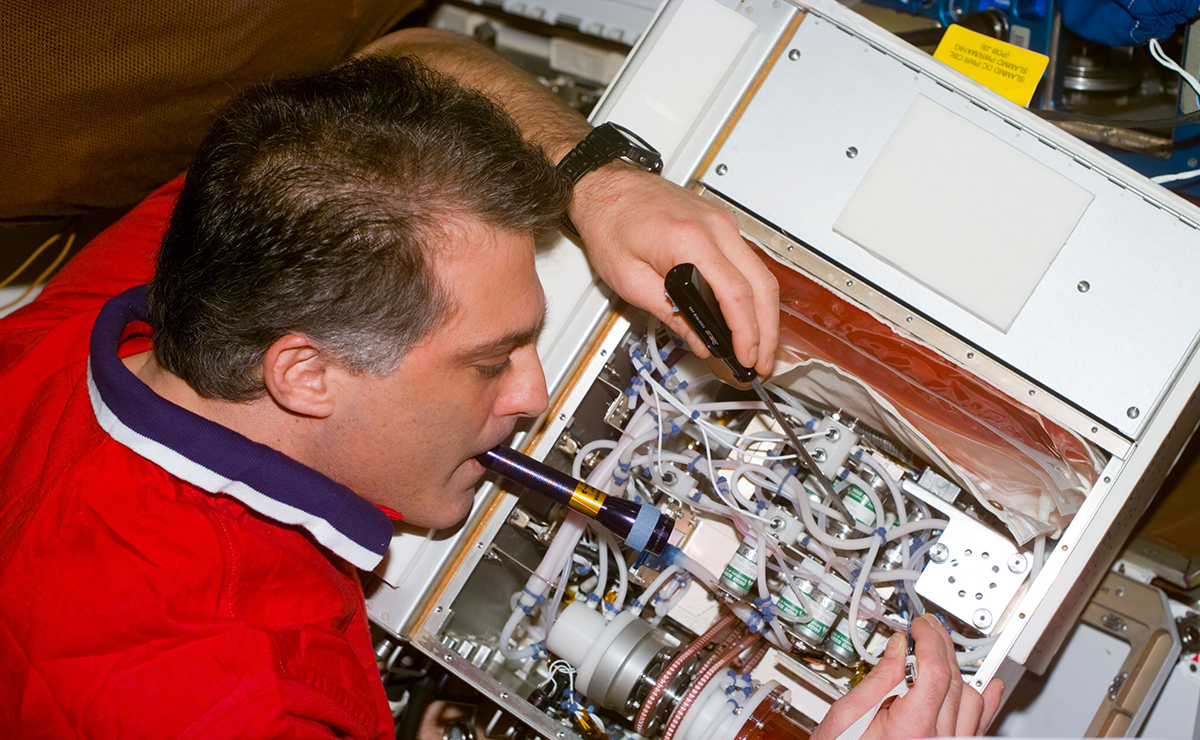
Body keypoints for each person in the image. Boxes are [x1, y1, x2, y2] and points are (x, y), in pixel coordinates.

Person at [0, 50, 998, 739]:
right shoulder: (239, 688)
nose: (539, 387)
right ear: (304, 374)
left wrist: (598, 179)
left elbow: (403, 60)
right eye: (491, 359)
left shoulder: (138, 306)